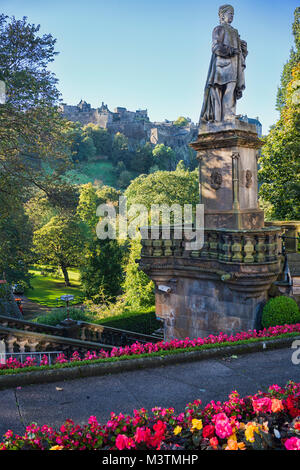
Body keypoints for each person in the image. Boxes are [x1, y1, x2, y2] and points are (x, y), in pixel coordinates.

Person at [200, 4, 248, 123]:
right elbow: (215, 47)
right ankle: (220, 118)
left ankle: (229, 115)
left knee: (231, 90)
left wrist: (242, 48)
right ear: (222, 15)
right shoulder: (219, 29)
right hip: (221, 67)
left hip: (233, 66)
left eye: (233, 14)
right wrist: (231, 50)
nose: (232, 16)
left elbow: (241, 52)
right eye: (229, 13)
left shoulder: (235, 32)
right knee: (218, 93)